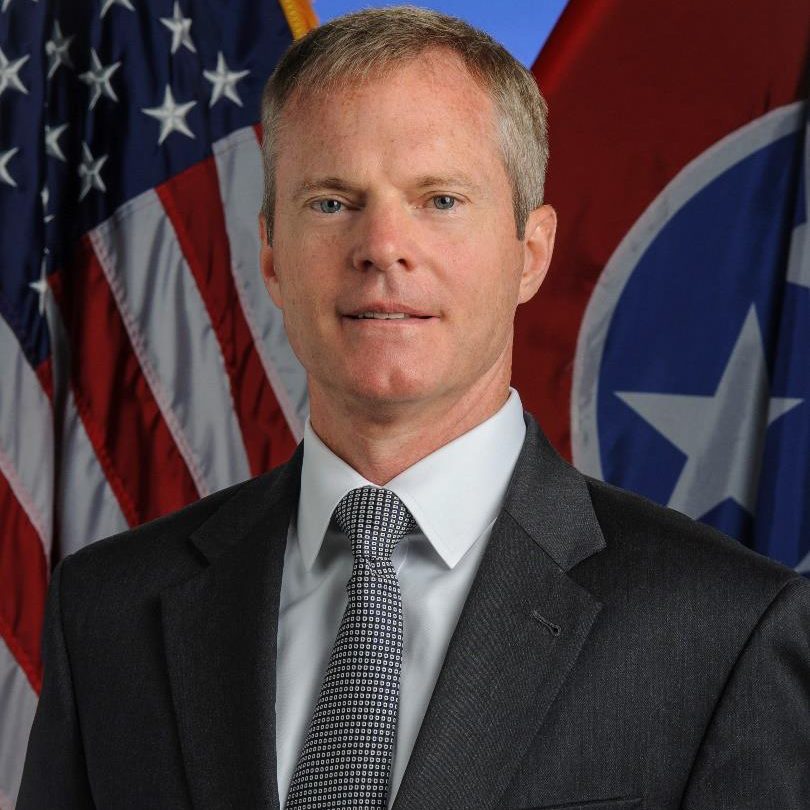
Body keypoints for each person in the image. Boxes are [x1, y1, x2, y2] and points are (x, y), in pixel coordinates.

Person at [18, 7, 810, 809]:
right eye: (332, 202)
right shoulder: (108, 611)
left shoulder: (724, 630)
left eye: (440, 200)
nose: (383, 246)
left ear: (530, 254)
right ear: (270, 256)